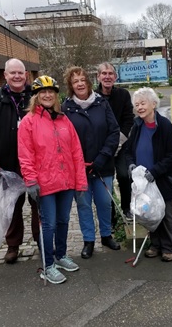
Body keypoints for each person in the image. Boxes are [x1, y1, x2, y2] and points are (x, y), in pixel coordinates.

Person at [18, 75, 88, 284]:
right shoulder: (28, 122)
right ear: (36, 96)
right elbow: (25, 154)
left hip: (66, 181)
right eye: (43, 92)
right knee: (48, 225)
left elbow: (76, 151)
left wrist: (80, 180)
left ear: (56, 96)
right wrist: (30, 181)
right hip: (45, 183)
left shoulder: (64, 119)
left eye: (51, 92)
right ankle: (48, 264)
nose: (47, 95)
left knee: (63, 220)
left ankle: (61, 255)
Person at [0, 58, 39, 264]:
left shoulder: (35, 95)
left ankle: (43, 242)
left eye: (20, 73)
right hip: (6, 164)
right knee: (11, 208)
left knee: (39, 205)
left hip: (34, 163)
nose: (16, 76)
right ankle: (13, 245)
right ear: (5, 75)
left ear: (26, 75)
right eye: (12, 73)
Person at [62, 66, 120, 259]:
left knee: (104, 202)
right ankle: (88, 240)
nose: (79, 83)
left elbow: (113, 132)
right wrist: (77, 163)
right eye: (75, 81)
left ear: (88, 81)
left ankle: (106, 235)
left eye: (82, 79)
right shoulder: (66, 108)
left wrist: (103, 157)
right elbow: (63, 139)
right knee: (84, 205)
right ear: (71, 85)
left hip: (103, 165)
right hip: (80, 168)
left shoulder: (102, 103)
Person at [125, 87, 172, 262]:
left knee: (165, 213)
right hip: (144, 181)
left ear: (153, 104)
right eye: (136, 105)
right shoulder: (137, 126)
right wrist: (130, 165)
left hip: (162, 179)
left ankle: (168, 247)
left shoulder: (164, 125)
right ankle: (155, 244)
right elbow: (128, 150)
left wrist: (155, 171)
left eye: (143, 103)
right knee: (150, 213)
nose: (139, 107)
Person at [95, 62, 135, 227]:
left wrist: (118, 142)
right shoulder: (93, 96)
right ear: (98, 77)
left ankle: (126, 208)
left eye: (110, 73)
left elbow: (128, 120)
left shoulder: (123, 95)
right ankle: (110, 216)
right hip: (102, 147)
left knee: (125, 176)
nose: (107, 76)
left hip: (121, 143)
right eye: (103, 73)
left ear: (115, 77)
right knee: (106, 182)